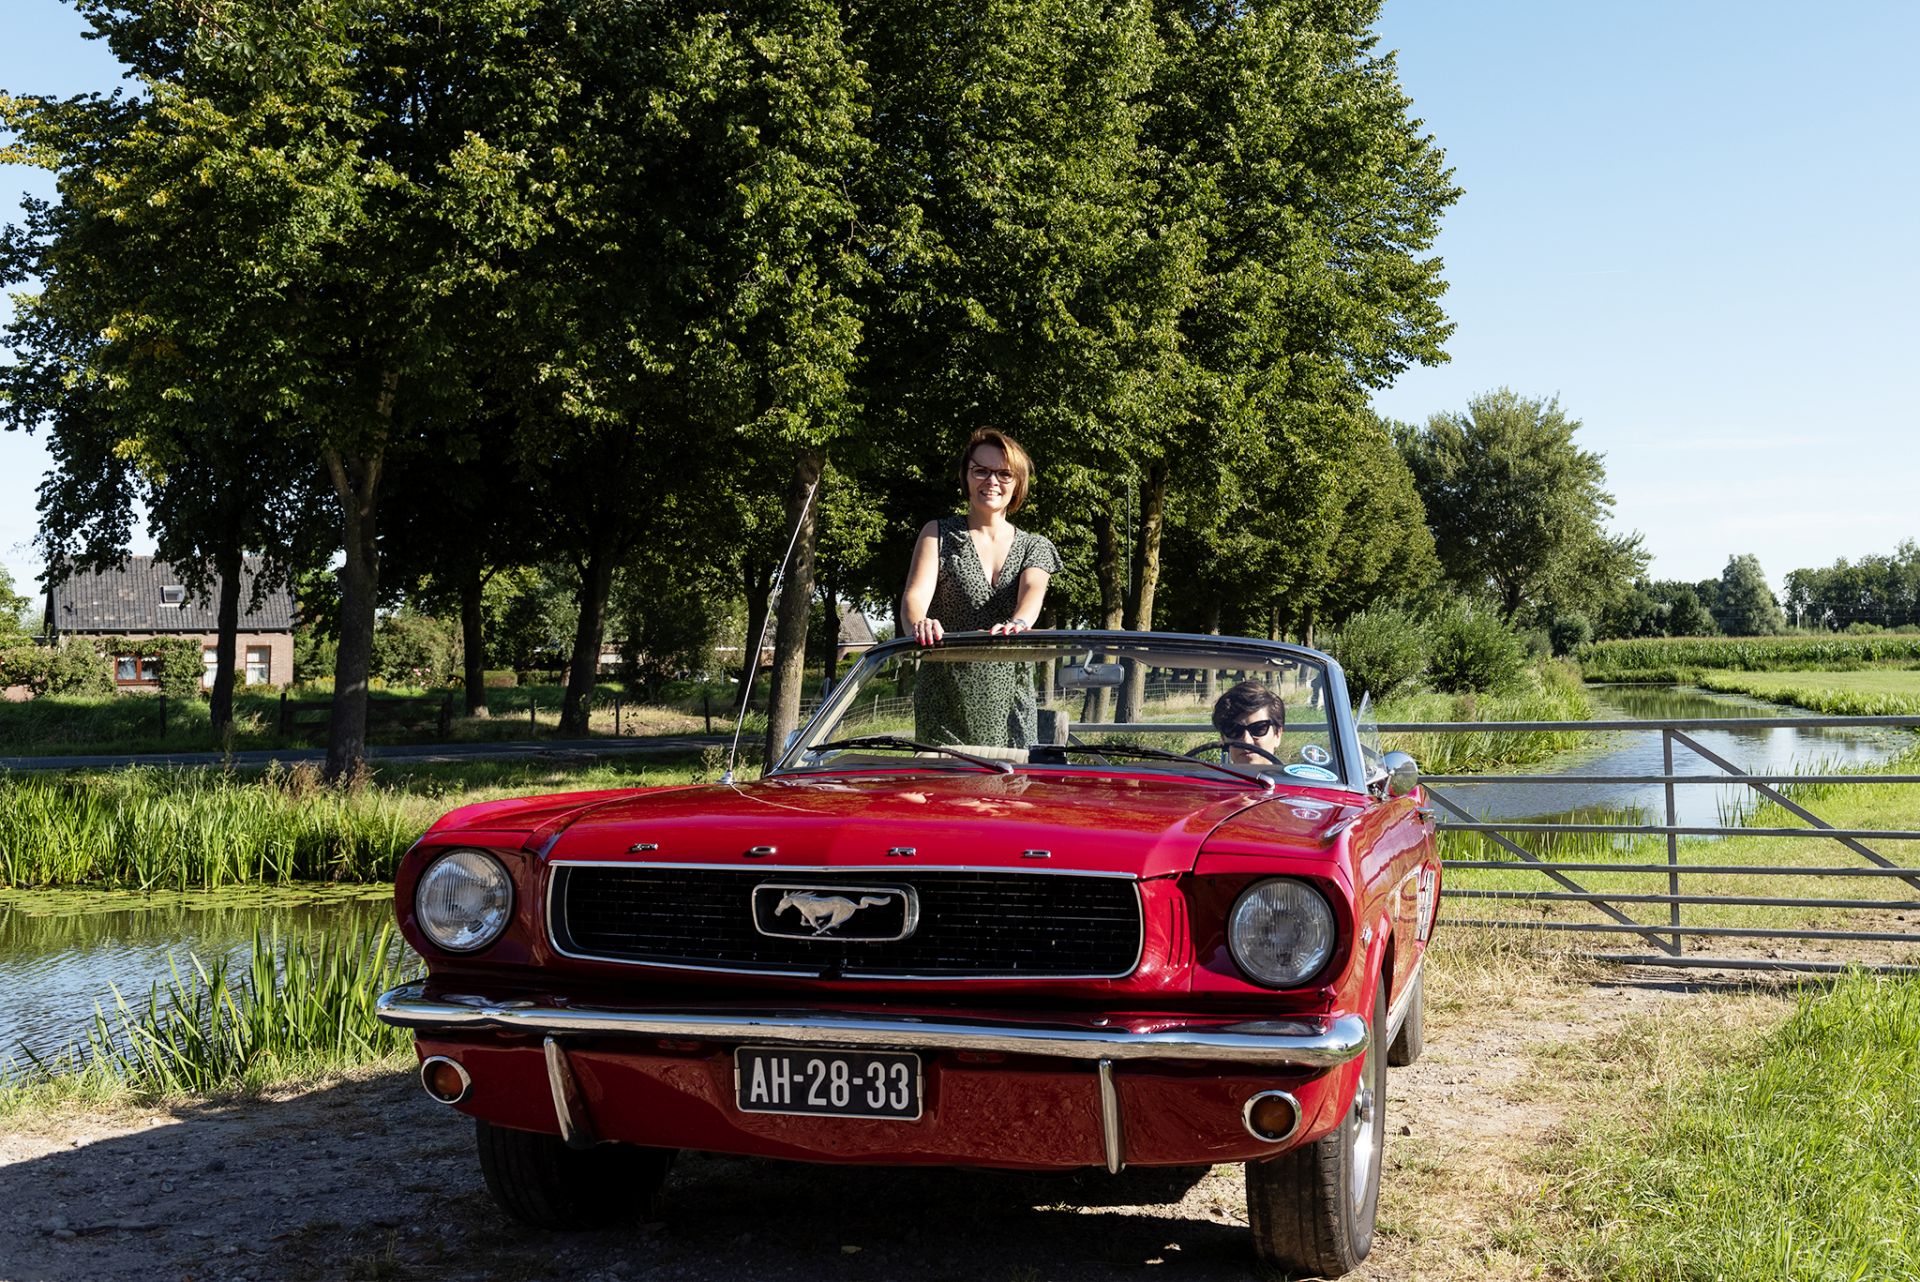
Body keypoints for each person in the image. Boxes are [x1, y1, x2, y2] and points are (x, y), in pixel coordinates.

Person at [901, 429, 1062, 746]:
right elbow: (914, 597)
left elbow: (1032, 594)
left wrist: (1018, 623)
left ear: (1017, 483)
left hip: (1011, 698)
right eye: (981, 471)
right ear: (966, 475)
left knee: (1009, 789)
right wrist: (920, 622)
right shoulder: (937, 534)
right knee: (946, 791)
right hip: (945, 695)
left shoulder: (1035, 546)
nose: (992, 481)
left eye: (1004, 474)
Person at [1211, 680, 1286, 766]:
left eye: (1258, 729)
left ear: (1277, 734)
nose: (1246, 741)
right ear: (1223, 738)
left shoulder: (1294, 779)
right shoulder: (1210, 779)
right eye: (1234, 730)